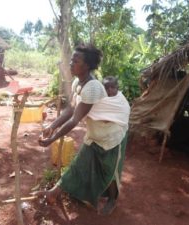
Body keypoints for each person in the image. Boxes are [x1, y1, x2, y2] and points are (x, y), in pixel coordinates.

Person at [34, 44, 130, 215]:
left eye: (75, 61)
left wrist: (52, 139)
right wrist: (51, 126)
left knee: (110, 170)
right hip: (96, 133)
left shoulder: (93, 87)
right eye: (72, 59)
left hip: (110, 135)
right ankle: (53, 194)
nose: (71, 63)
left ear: (86, 66)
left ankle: (113, 199)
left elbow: (74, 119)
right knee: (78, 165)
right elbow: (71, 108)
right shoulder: (78, 82)